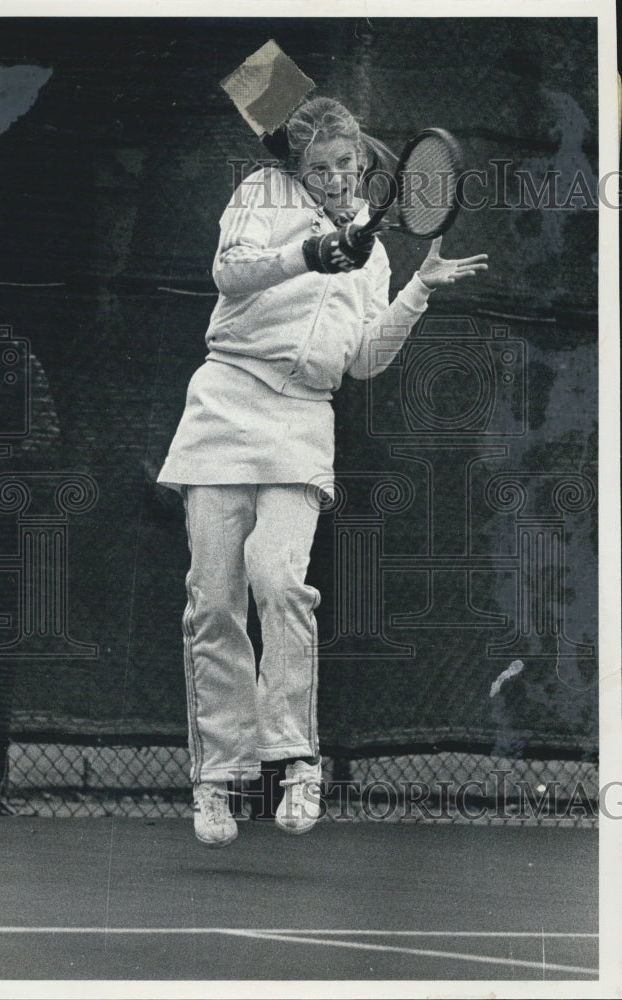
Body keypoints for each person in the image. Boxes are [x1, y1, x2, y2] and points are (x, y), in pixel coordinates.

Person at [157, 96, 488, 847]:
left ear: (364, 165)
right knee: (212, 601)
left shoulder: (374, 246)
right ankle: (219, 777)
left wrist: (417, 290)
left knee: (279, 581)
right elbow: (229, 272)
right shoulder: (262, 194)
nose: (336, 179)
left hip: (304, 418)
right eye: (319, 168)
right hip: (225, 400)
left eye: (346, 165)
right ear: (296, 170)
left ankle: (295, 760)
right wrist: (306, 254)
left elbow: (363, 360)